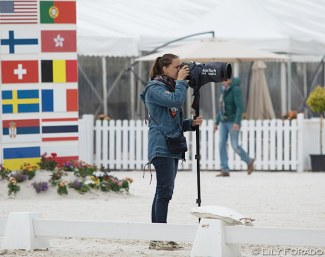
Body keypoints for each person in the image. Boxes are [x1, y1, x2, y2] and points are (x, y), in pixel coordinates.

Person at [140, 53, 203, 250]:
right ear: (164, 68)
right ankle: (159, 237)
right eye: (177, 67)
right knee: (164, 192)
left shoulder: (168, 86)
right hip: (161, 146)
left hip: (171, 145)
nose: (180, 69)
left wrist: (190, 124)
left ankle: (158, 236)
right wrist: (182, 82)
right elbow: (175, 101)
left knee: (163, 192)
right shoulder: (155, 89)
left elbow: (172, 121)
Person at [214, 77, 255, 177]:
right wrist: (217, 122)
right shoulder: (223, 89)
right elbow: (221, 107)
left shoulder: (235, 89)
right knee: (221, 145)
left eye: (224, 79)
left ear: (229, 79)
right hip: (223, 121)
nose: (223, 81)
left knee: (235, 145)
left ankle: (249, 161)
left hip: (232, 122)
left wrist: (237, 122)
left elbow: (240, 107)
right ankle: (225, 169)